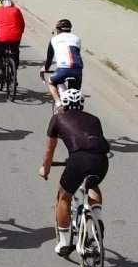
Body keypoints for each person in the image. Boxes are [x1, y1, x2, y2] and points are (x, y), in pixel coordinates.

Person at [39, 89, 110, 256]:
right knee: (93, 185)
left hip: (78, 159)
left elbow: (50, 150)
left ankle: (63, 243)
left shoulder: (57, 118)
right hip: (101, 159)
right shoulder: (94, 119)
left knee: (64, 195)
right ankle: (97, 218)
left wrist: (45, 168)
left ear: (63, 105)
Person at [39, 19, 83, 104]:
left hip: (63, 69)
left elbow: (49, 59)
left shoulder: (54, 39)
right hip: (78, 69)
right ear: (70, 29)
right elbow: (76, 54)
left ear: (58, 29)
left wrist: (45, 68)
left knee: (51, 82)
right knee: (74, 96)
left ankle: (58, 102)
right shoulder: (77, 39)